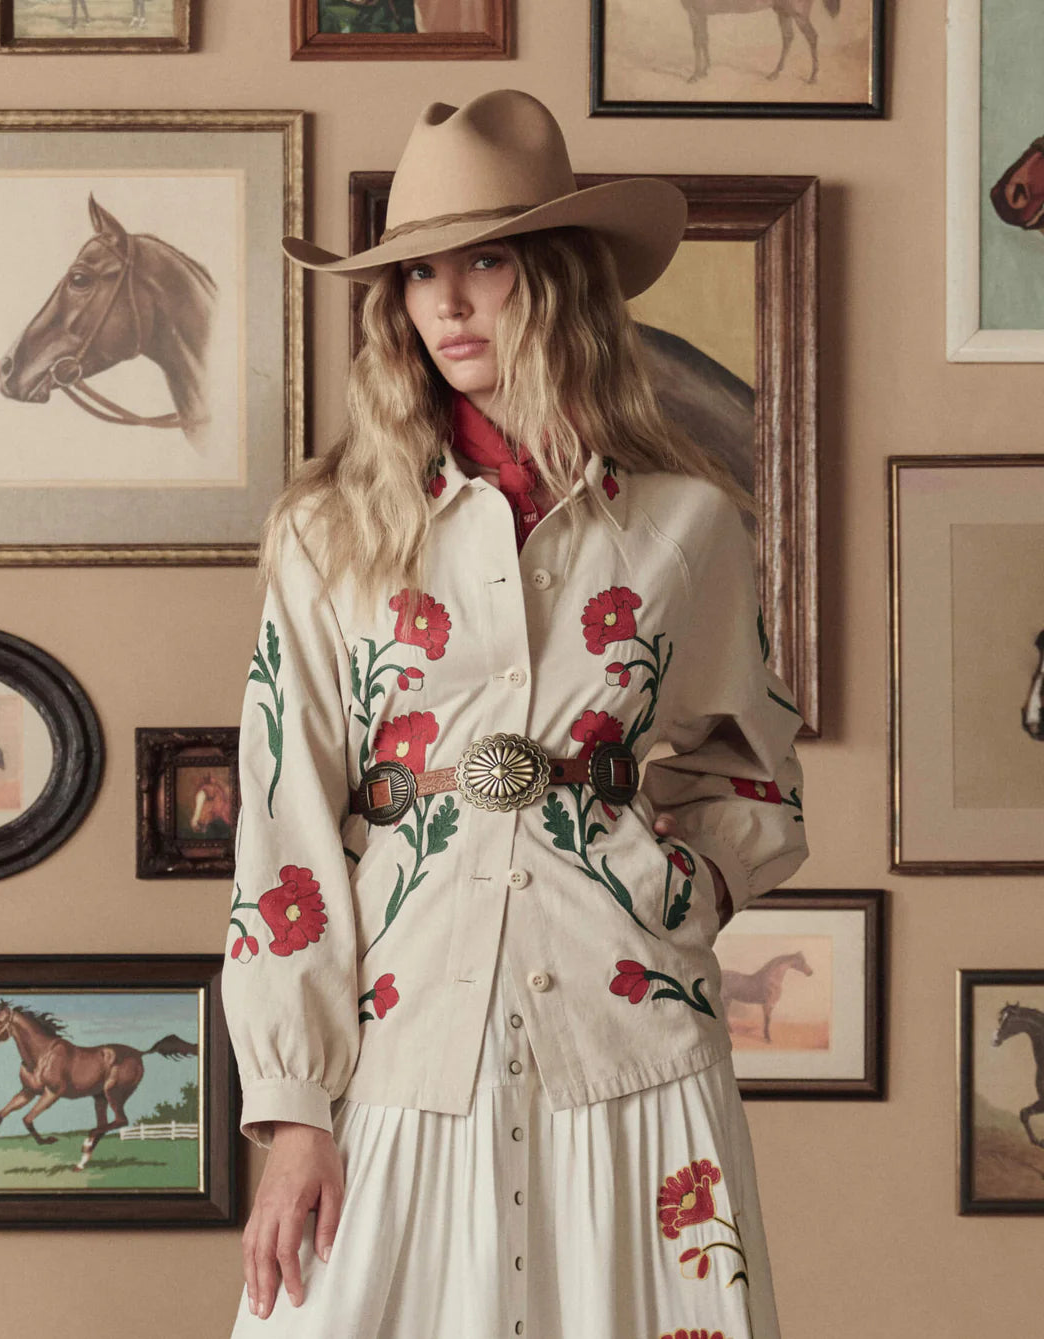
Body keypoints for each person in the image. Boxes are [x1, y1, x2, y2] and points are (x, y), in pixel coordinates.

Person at [221, 88, 808, 1338]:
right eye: (421, 271)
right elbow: (285, 829)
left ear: (557, 278)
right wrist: (290, 1115)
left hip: (635, 1043)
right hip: (401, 1044)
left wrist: (676, 888)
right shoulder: (330, 534)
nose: (446, 302)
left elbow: (749, 769)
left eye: (483, 262)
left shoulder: (684, 526)